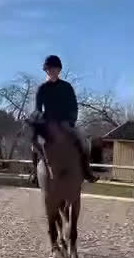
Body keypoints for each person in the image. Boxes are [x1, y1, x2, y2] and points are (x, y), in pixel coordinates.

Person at [30, 55, 98, 184]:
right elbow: (38, 109)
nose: (52, 71)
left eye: (55, 69)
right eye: (49, 69)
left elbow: (74, 106)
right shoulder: (42, 89)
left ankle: (86, 171)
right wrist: (38, 119)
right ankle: (35, 172)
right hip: (48, 124)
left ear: (59, 70)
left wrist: (71, 122)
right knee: (33, 144)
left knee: (85, 143)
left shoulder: (67, 87)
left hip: (66, 123)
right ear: (46, 71)